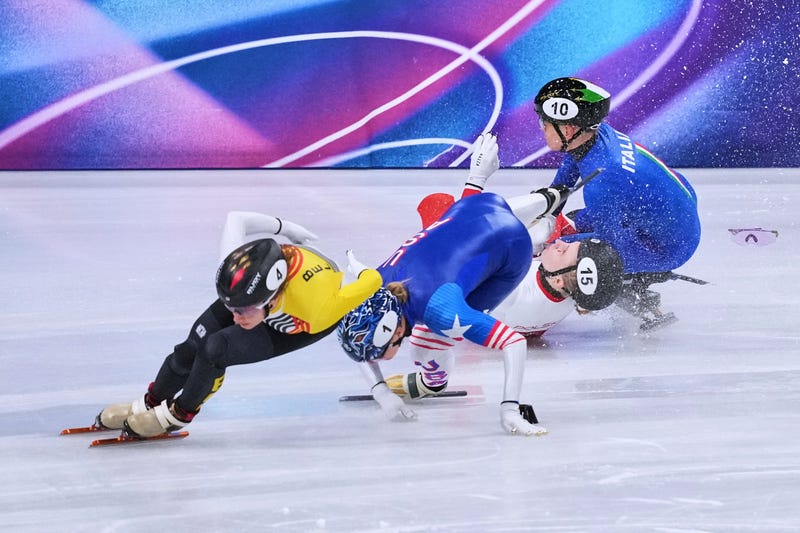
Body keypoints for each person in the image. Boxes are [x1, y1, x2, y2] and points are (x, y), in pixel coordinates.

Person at [336, 146, 624, 436]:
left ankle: (432, 381)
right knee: (463, 220)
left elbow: (512, 341)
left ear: (561, 281)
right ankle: (545, 205)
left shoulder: (444, 308)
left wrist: (509, 408)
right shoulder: (380, 282)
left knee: (441, 215)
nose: (560, 245)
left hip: (504, 260)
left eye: (564, 252)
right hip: (484, 222)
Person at [96, 212, 382, 438]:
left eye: (242, 311)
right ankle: (152, 402)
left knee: (215, 349)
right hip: (266, 295)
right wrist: (285, 226)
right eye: (231, 308)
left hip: (300, 320)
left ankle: (178, 415)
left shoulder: (316, 309)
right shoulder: (239, 268)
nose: (235, 317)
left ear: (273, 298)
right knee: (190, 347)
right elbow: (237, 219)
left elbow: (373, 282)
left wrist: (359, 269)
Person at [532, 77, 701, 328]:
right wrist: (549, 207)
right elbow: (570, 167)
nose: (541, 128)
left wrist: (549, 245)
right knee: (571, 222)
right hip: (673, 212)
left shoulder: (602, 184)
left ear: (567, 130)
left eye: (544, 123)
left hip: (666, 247)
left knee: (554, 251)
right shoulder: (596, 135)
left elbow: (607, 245)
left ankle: (633, 291)